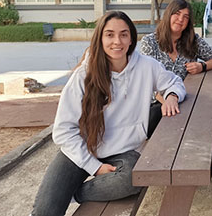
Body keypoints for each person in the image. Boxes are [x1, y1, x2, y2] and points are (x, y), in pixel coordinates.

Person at [32, 11, 186, 216]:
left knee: (136, 177)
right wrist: (94, 167)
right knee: (45, 211)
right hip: (83, 148)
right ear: (100, 38)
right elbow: (63, 131)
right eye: (110, 34)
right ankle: (64, 192)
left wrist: (172, 96)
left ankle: (75, 194)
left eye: (123, 34)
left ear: (131, 38)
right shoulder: (84, 75)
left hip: (125, 151)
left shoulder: (146, 66)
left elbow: (174, 82)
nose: (117, 41)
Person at [140, 0, 212, 135]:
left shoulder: (193, 41)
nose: (180, 19)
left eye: (185, 17)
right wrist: (169, 101)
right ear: (168, 14)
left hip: (185, 99)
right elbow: (147, 83)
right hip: (156, 104)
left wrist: (202, 66)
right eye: (177, 14)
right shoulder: (150, 42)